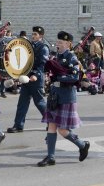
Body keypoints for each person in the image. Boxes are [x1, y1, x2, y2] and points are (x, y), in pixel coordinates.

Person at [37, 31, 89, 167]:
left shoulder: (72, 58)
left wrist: (59, 77)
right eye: (58, 42)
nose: (58, 44)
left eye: (61, 43)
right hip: (55, 95)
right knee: (52, 126)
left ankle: (82, 145)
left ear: (68, 44)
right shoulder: (57, 57)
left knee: (63, 130)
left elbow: (74, 78)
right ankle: (51, 157)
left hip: (66, 96)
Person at [7, 26, 49, 133]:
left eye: (35, 34)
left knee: (39, 103)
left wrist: (35, 75)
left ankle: (51, 122)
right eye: (33, 34)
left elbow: (42, 64)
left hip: (36, 79)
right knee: (22, 103)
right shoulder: (29, 46)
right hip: (26, 78)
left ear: (41, 36)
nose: (33, 36)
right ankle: (18, 125)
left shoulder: (43, 48)